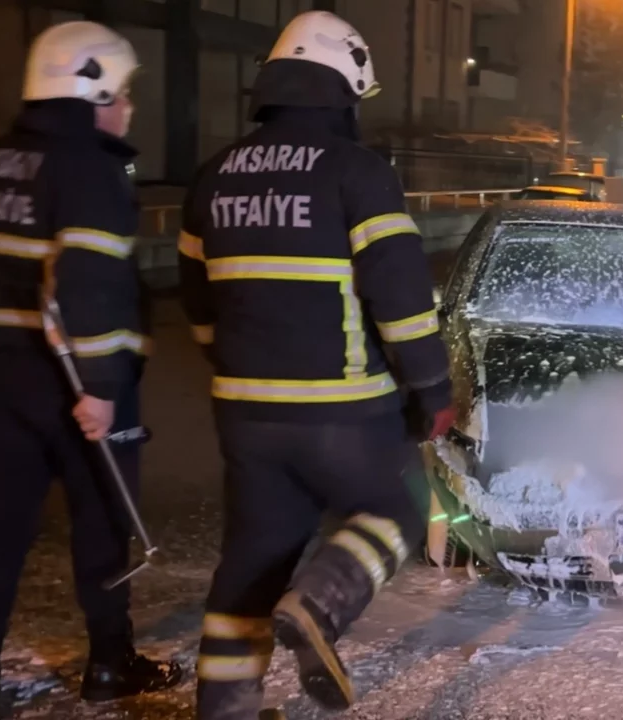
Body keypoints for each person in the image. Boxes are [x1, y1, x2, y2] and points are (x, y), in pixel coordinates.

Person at [177, 11, 455, 719]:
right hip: (343, 407)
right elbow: (401, 299)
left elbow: (196, 299)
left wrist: (230, 361)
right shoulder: (357, 173)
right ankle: (320, 605)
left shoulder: (213, 178)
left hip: (243, 412)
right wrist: (431, 387)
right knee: (400, 508)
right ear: (342, 90)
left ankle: (224, 707)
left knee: (250, 561)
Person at [0, 20, 182, 720]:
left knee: (2, 527)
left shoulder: (1, 159)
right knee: (102, 527)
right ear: (91, 89)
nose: (130, 108)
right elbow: (88, 282)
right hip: (74, 384)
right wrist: (104, 392)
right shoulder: (89, 169)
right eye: (123, 92)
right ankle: (109, 664)